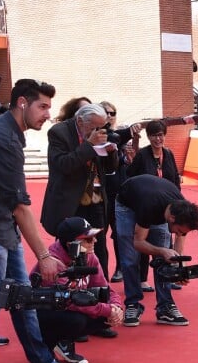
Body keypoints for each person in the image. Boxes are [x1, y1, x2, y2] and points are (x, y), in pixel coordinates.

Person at [0, 79, 88, 363]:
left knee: (22, 297)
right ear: (22, 103)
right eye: (43, 106)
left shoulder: (7, 132)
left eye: (50, 107)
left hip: (1, 228)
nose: (48, 114)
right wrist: (43, 254)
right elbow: (20, 205)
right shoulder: (1, 138)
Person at [31, 217, 124, 363]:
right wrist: (107, 310)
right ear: (71, 244)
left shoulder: (89, 256)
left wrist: (116, 307)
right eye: (88, 239)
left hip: (68, 306)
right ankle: (47, 346)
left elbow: (105, 288)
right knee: (77, 320)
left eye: (94, 237)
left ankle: (63, 342)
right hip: (43, 313)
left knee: (104, 317)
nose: (95, 241)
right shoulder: (53, 264)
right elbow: (69, 301)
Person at [42, 103, 118, 280]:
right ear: (80, 121)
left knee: (98, 247)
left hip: (96, 200)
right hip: (71, 202)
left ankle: (101, 289)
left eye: (101, 126)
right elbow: (63, 165)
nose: (97, 131)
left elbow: (109, 168)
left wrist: (111, 151)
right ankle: (66, 286)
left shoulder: (98, 132)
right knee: (69, 247)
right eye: (93, 127)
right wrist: (90, 145)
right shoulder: (59, 132)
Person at [116, 174, 198, 326]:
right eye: (179, 230)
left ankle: (165, 307)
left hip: (155, 201)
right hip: (127, 205)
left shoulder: (182, 210)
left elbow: (179, 239)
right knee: (130, 258)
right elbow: (138, 243)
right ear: (172, 219)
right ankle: (133, 303)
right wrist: (163, 251)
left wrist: (177, 268)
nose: (178, 234)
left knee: (165, 261)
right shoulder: (149, 206)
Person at [126, 119, 181, 292]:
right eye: (153, 136)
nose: (158, 139)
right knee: (144, 240)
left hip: (168, 205)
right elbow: (130, 175)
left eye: (160, 135)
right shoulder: (143, 154)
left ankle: (169, 275)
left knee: (167, 242)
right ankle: (142, 279)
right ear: (148, 137)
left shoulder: (169, 154)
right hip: (147, 204)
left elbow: (175, 179)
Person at [99, 101, 142, 284]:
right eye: (106, 112)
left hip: (120, 192)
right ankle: (101, 273)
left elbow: (134, 158)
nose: (110, 115)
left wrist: (136, 137)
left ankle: (120, 268)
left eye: (112, 112)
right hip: (100, 193)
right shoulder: (100, 136)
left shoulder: (120, 136)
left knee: (120, 234)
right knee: (100, 234)